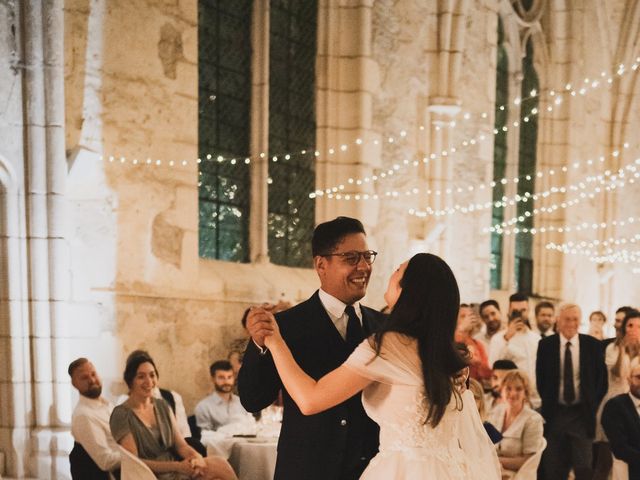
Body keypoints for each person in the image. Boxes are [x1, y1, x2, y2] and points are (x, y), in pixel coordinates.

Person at [258, 253, 501, 479]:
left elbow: (310, 399)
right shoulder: (447, 354)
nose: (391, 274)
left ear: (409, 291)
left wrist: (274, 340)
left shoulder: (388, 346)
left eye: (398, 270)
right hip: (450, 470)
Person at [238, 216, 386, 480]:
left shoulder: (384, 326)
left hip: (372, 471)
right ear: (321, 264)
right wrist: (260, 346)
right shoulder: (286, 326)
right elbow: (253, 400)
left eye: (367, 256)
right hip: (307, 469)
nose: (363, 267)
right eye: (351, 258)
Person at [110, 352, 237, 480]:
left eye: (152, 375)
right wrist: (177, 466)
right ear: (130, 381)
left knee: (220, 464)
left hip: (175, 468)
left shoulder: (162, 405)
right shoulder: (121, 414)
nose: (149, 381)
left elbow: (181, 445)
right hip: (147, 474)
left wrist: (196, 458)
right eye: (141, 376)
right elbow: (135, 462)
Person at [536, 303, 607, 480]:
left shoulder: (592, 346)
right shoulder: (546, 345)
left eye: (575, 319)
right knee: (553, 467)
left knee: (583, 467)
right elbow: (541, 379)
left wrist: (592, 404)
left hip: (582, 415)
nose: (571, 323)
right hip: (555, 413)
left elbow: (601, 381)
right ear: (558, 321)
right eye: (567, 319)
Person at [592, 309, 640, 480]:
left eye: (638, 326)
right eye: (630, 325)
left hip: (637, 405)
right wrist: (625, 348)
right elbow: (619, 373)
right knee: (605, 461)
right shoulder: (612, 348)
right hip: (614, 405)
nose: (634, 329)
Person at [69, 358, 121, 480]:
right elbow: (106, 461)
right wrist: (137, 454)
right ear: (74, 384)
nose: (92, 380)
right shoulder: (83, 415)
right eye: (84, 377)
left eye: (93, 374)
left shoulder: (107, 405)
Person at [487, 370, 544, 478]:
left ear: (525, 393)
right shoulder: (495, 412)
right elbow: (486, 445)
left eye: (518, 389)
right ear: (501, 391)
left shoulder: (533, 420)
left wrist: (496, 461)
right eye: (508, 388)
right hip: (493, 471)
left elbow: (529, 461)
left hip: (518, 475)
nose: (512, 393)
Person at [489, 293, 541, 408]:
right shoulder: (498, 339)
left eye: (523, 310)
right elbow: (492, 365)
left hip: (535, 400)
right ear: (509, 312)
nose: (520, 314)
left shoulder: (536, 338)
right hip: (509, 400)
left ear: (528, 312)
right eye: (515, 311)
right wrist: (507, 337)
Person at [600, 359, 640, 479]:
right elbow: (620, 448)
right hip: (629, 470)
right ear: (628, 379)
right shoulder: (615, 406)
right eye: (639, 377)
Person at [194, 360, 248, 431]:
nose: (226, 381)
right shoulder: (203, 407)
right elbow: (205, 438)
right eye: (221, 377)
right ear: (213, 379)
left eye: (229, 377)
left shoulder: (241, 403)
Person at [456, 303, 492, 382]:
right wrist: (460, 330)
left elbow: (487, 373)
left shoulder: (478, 344)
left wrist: (475, 360)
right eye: (463, 316)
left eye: (470, 316)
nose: (468, 320)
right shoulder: (450, 340)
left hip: (474, 387)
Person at [468, 378, 503, 444]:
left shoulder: (488, 429)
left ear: (481, 403)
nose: (471, 403)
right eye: (467, 399)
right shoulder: (451, 430)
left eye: (475, 399)